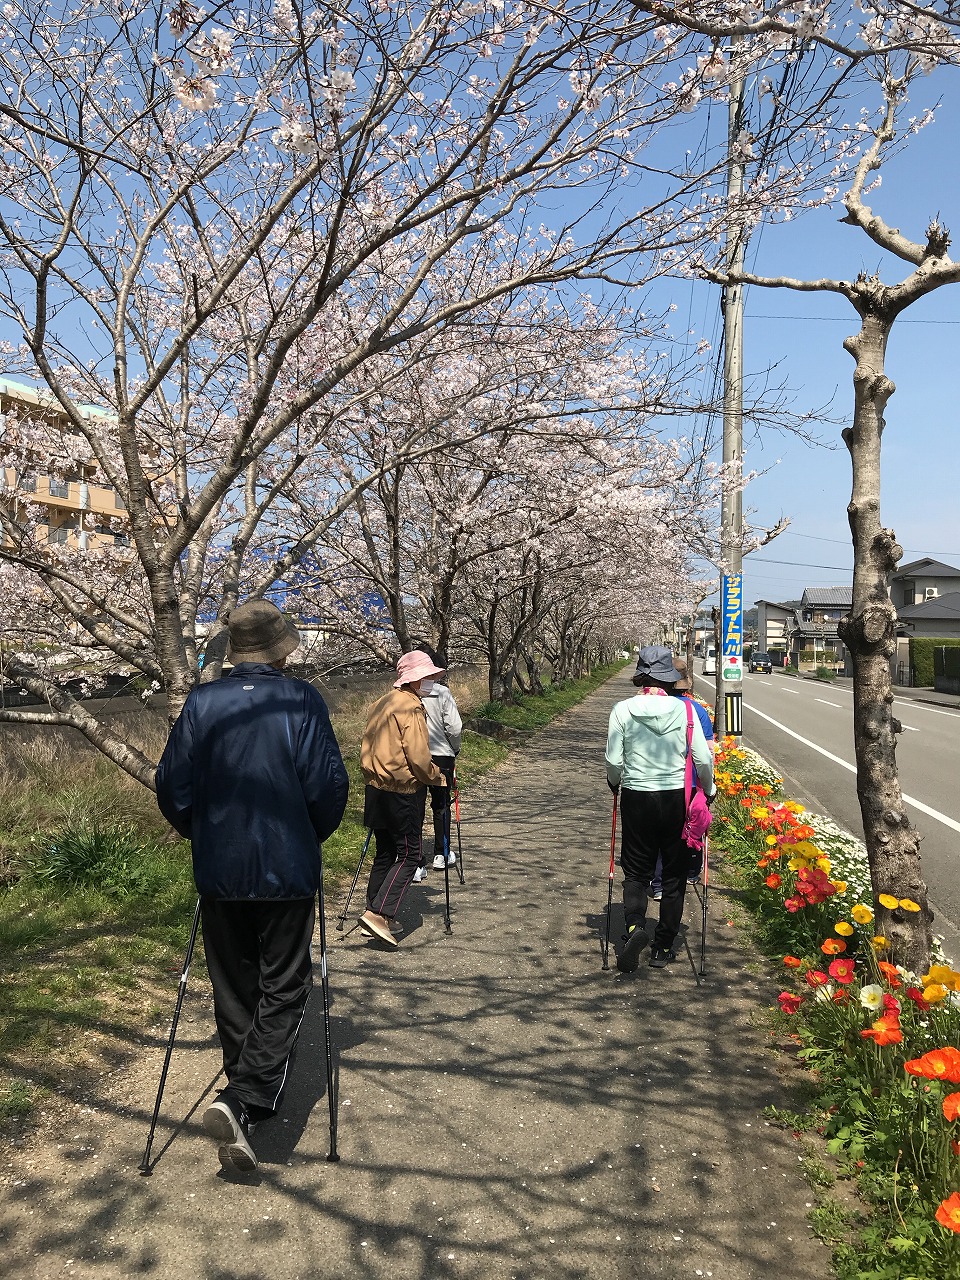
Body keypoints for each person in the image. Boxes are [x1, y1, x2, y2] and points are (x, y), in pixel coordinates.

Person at [155, 599, 349, 1174]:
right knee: (285, 983)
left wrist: (205, 833)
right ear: (281, 647)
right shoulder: (301, 700)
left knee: (234, 983)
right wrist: (308, 833)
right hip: (286, 866)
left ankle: (243, 1097)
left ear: (235, 652)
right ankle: (246, 1098)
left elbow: (173, 785)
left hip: (220, 866)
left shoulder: (201, 702)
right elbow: (326, 786)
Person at [605, 645, 716, 973]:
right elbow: (703, 759)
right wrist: (708, 790)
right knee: (673, 874)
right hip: (675, 801)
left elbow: (613, 760)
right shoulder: (687, 711)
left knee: (636, 871)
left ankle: (634, 928)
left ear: (642, 677)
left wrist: (615, 782)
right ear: (668, 678)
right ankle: (663, 946)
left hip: (637, 797)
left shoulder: (622, 710)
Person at [357, 649, 447, 947]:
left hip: (375, 788)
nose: (431, 681)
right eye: (428, 676)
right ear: (415, 679)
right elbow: (419, 757)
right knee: (410, 854)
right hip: (403, 791)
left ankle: (373, 911)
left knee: (385, 852)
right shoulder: (410, 707)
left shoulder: (381, 702)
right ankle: (379, 913)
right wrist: (438, 776)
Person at [648, 656, 715, 898]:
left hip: (659, 780)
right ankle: (691, 872)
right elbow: (707, 751)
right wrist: (710, 784)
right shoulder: (695, 709)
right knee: (693, 827)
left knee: (660, 838)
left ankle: (657, 884)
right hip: (693, 783)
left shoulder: (649, 707)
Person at [407, 643, 463, 879]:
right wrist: (455, 749)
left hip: (415, 756)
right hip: (442, 755)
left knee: (416, 808)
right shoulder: (441, 692)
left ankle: (417, 862)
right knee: (441, 806)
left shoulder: (407, 693)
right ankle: (442, 853)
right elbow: (455, 726)